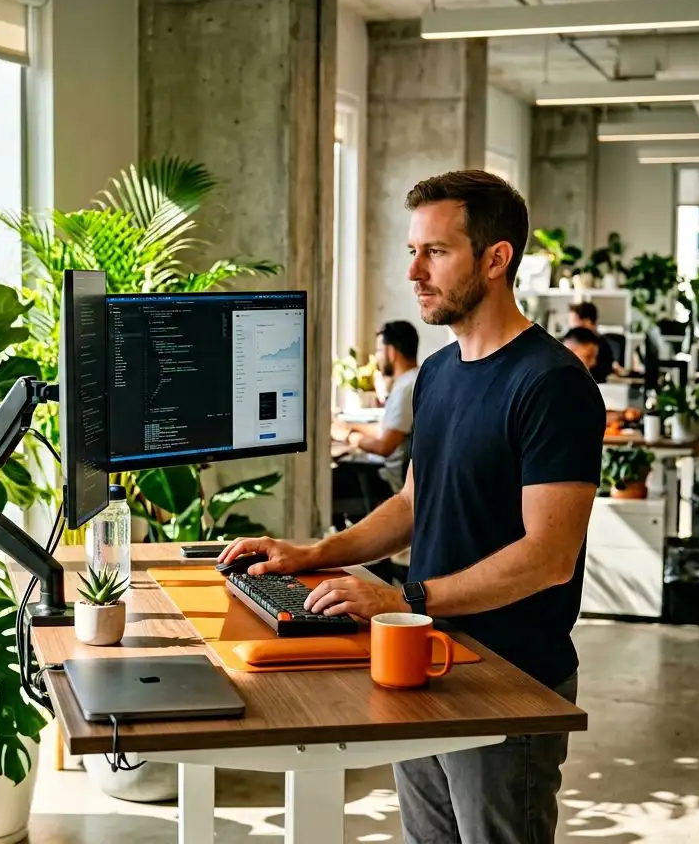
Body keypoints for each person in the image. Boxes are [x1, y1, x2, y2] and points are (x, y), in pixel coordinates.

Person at [219, 170, 604, 844]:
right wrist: (311, 553)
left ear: (495, 258)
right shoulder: (439, 372)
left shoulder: (551, 385)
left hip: (507, 682)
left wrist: (404, 598)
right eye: (412, 252)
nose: (416, 273)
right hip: (422, 658)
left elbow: (549, 557)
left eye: (436, 252)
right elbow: (413, 503)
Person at [333, 320, 420, 489]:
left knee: (325, 481)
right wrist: (348, 427)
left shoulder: (406, 389)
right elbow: (389, 429)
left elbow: (384, 446)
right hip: (383, 471)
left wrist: (348, 437)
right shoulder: (413, 380)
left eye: (379, 350)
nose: (377, 356)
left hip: (385, 478)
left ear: (391, 352)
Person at [567, 301, 623, 382]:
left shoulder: (602, 346)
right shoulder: (567, 343)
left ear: (587, 321)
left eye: (574, 321)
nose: (571, 326)